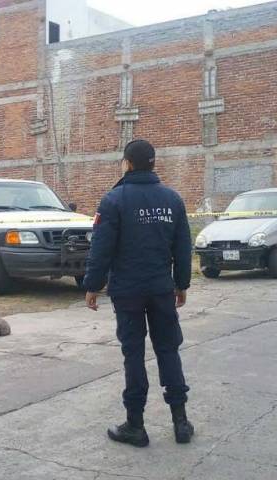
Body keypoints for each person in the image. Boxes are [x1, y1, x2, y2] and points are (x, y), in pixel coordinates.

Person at [83, 139, 194, 447]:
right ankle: (181, 422)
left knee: (133, 354)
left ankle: (135, 425)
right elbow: (183, 248)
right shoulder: (172, 200)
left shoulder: (113, 200)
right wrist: (181, 284)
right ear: (153, 163)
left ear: (128, 164)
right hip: (161, 289)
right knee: (168, 350)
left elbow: (101, 248)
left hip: (127, 291)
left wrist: (93, 285)